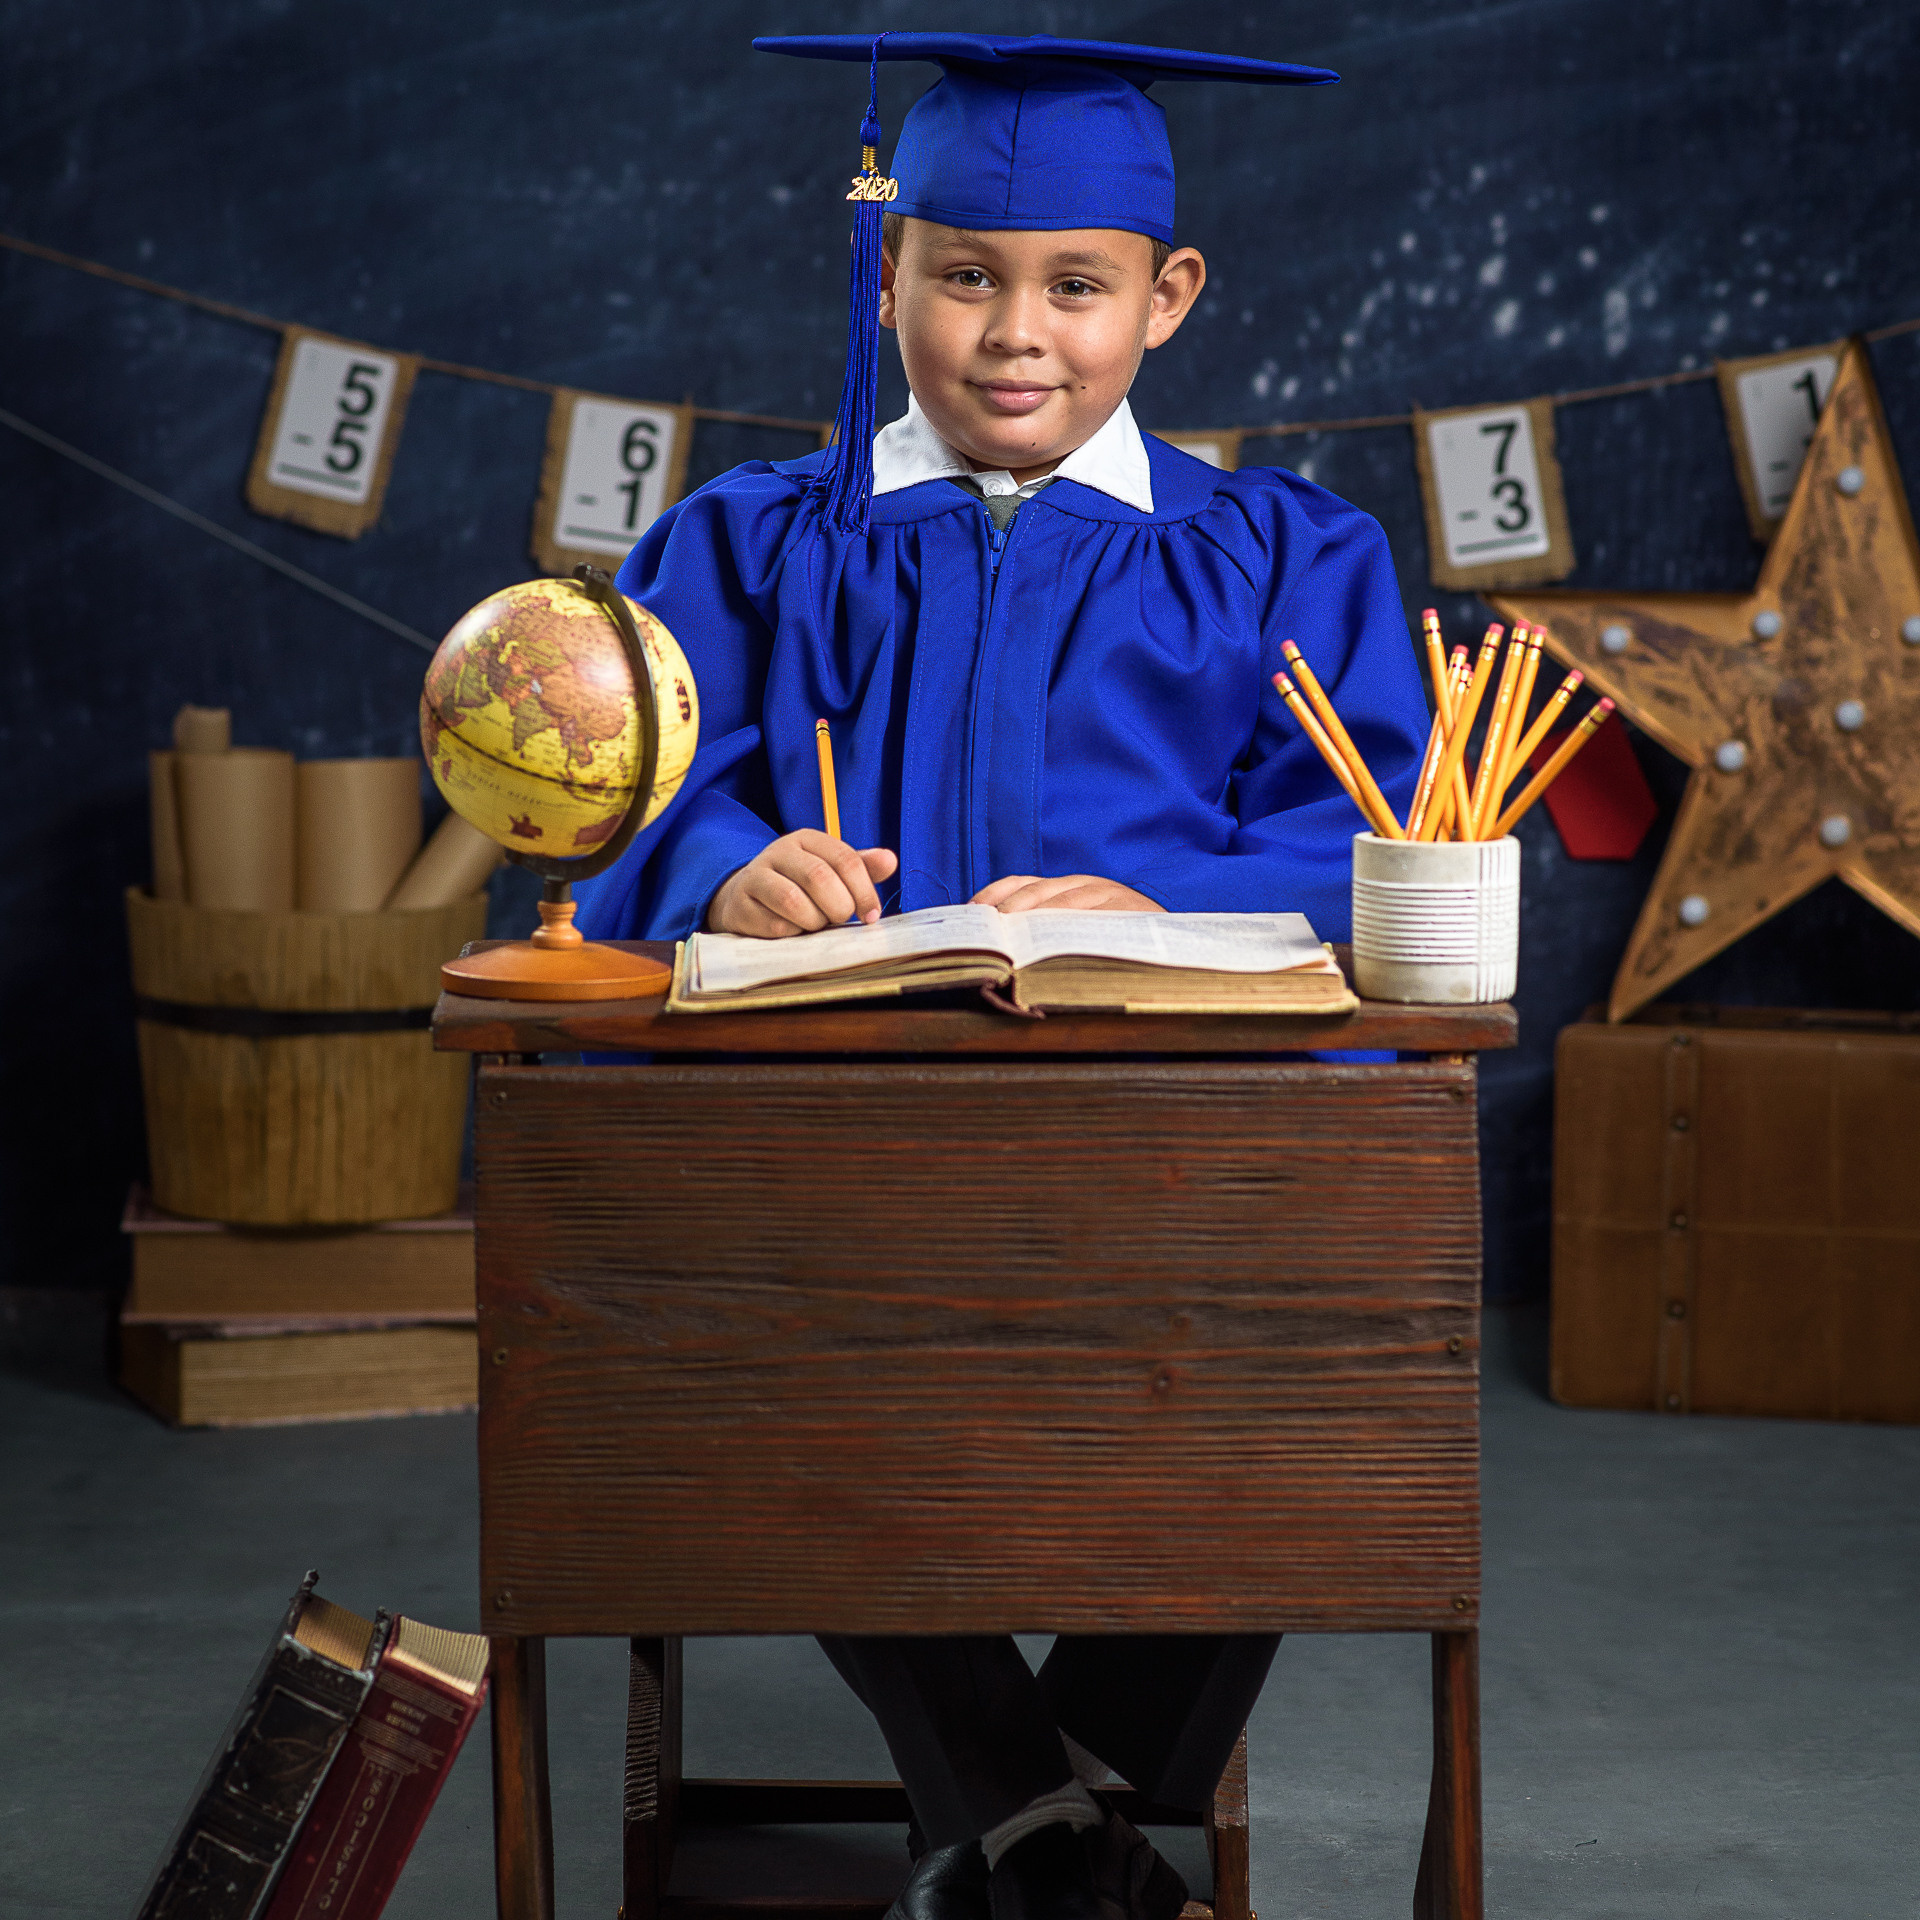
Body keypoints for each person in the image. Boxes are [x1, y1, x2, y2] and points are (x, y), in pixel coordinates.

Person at [576, 32, 1431, 1920]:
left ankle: (1022, 1826)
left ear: (1168, 297)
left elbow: (1378, 837)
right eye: (962, 273)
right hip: (834, 1157)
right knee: (737, 1333)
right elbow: (613, 801)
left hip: (1177, 1160)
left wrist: (1147, 904)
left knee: (1326, 1342)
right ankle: (1065, 1847)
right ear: (887, 275)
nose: (1012, 332)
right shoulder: (747, 542)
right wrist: (736, 865)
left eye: (1076, 284)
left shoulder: (1291, 553)